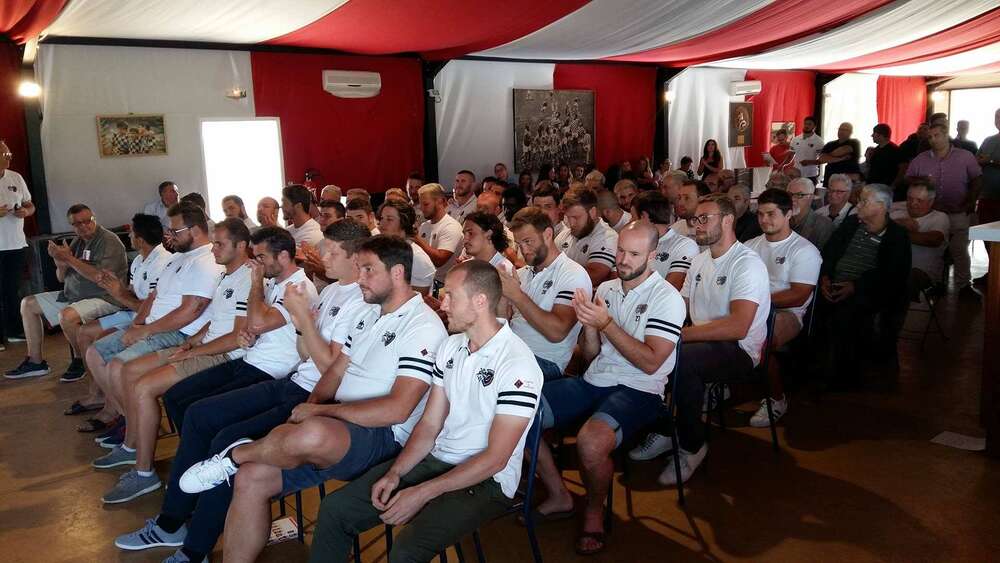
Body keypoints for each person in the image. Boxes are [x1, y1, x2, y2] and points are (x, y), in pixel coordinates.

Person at [112, 223, 370, 563]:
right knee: (196, 412)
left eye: (332, 252)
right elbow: (303, 351)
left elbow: (329, 370)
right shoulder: (334, 290)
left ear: (356, 258)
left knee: (225, 440)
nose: (323, 258)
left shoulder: (350, 299)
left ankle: (192, 544)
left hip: (307, 390)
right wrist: (289, 329)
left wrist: (299, 323)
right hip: (293, 379)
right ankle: (180, 510)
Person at [304, 260, 539, 563]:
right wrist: (396, 473)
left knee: (406, 551)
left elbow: (496, 459)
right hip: (438, 460)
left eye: (451, 295)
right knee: (336, 510)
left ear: (480, 301)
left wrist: (423, 492)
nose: (443, 303)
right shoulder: (452, 347)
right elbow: (429, 425)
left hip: (489, 481)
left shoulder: (517, 364)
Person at [530, 222, 684, 555]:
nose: (624, 260)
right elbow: (591, 356)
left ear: (653, 256)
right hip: (596, 379)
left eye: (634, 254)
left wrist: (607, 324)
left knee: (590, 442)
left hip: (640, 389)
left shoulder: (667, 298)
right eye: (621, 251)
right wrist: (589, 326)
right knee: (517, 414)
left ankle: (593, 511)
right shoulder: (607, 289)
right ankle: (559, 493)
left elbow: (650, 363)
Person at [94, 219, 253, 502]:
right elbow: (215, 321)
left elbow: (234, 337)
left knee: (143, 387)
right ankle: (134, 448)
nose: (213, 249)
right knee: (130, 371)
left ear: (241, 246)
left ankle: (144, 472)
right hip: (202, 345)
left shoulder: (248, 279)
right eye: (214, 243)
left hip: (223, 355)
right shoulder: (226, 275)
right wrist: (191, 342)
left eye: (219, 244)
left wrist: (193, 351)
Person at [632, 195, 770, 485]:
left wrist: (678, 336)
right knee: (652, 348)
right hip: (702, 341)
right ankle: (667, 428)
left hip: (739, 349)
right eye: (695, 219)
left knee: (682, 361)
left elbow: (738, 326)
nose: (696, 225)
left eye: (704, 218)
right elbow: (679, 306)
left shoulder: (746, 263)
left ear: (728, 220)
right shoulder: (699, 260)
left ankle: (692, 445)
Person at [81, 203, 222, 438]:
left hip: (179, 332)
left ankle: (136, 431)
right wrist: (137, 324)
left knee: (117, 366)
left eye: (175, 231)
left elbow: (190, 311)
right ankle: (128, 418)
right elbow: (153, 296)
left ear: (195, 230)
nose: (169, 236)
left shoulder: (205, 261)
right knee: (94, 353)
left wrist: (146, 331)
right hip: (154, 326)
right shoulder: (178, 258)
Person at [64, 214, 171, 416]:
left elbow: (150, 309)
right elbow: (132, 293)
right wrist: (117, 286)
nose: (129, 236)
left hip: (146, 318)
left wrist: (118, 293)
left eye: (131, 233)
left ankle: (114, 409)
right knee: (84, 333)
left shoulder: (162, 263)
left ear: (140, 240)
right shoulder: (139, 260)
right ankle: (98, 394)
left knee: (101, 341)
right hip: (132, 311)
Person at [6, 205, 127, 381]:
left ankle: (81, 360)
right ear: (72, 225)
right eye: (77, 224)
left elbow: (99, 277)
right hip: (73, 294)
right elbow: (61, 278)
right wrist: (60, 264)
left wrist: (68, 258)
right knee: (28, 304)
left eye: (87, 221)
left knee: (67, 315)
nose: (83, 226)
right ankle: (35, 362)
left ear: (94, 218)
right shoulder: (77, 241)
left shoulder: (109, 240)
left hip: (104, 297)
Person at [816, 184, 910, 388]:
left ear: (881, 206)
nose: (858, 205)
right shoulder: (851, 224)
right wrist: (825, 277)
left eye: (864, 201)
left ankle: (843, 378)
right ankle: (810, 369)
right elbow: (829, 252)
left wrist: (855, 286)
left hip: (867, 291)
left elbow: (892, 274)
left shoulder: (896, 235)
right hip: (833, 283)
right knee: (809, 308)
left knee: (846, 316)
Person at [745, 189, 822, 427]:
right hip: (750, 307)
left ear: (788, 214)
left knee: (761, 341)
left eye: (771, 214)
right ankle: (718, 383)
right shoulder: (749, 246)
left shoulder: (804, 250)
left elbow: (798, 296)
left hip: (786, 312)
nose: (764, 220)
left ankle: (776, 399)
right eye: (760, 214)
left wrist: (754, 304)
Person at [504, 207, 591, 381]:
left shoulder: (573, 274)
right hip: (510, 352)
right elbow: (503, 321)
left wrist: (517, 296)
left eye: (528, 242)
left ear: (548, 234)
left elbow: (557, 332)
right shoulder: (521, 274)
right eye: (519, 244)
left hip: (543, 361)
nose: (524, 250)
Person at [906, 122, 982, 295]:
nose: (933, 140)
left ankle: (964, 285)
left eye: (937, 135)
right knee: (936, 249)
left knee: (959, 249)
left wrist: (971, 201)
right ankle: (937, 283)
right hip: (933, 212)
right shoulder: (921, 158)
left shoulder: (965, 156)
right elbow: (908, 178)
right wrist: (922, 180)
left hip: (958, 209)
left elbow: (977, 178)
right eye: (930, 137)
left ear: (946, 134)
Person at [0, 140, 35, 350]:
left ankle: (13, 330)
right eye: (5, 154)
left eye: (9, 153)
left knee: (11, 290)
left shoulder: (16, 177)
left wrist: (26, 211)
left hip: (15, 244)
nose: (9, 157)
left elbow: (29, 204)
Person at [889, 180, 950, 297]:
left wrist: (896, 231)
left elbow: (933, 240)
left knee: (901, 279)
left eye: (919, 200)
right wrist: (898, 225)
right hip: (891, 266)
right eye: (910, 199)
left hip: (921, 271)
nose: (913, 204)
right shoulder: (897, 214)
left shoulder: (940, 217)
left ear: (931, 202)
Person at [631, 191, 698, 290]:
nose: (630, 222)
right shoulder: (633, 244)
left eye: (633, 217)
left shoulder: (685, 246)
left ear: (644, 216)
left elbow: (670, 290)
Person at [554, 189, 618, 287]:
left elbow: (593, 276)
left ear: (592, 212)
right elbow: (547, 266)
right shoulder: (563, 236)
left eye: (576, 217)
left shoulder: (608, 237)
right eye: (568, 217)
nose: (571, 223)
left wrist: (556, 273)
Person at [377, 199, 435, 294]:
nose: (381, 224)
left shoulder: (417, 257)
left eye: (389, 219)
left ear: (404, 222)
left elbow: (419, 297)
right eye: (381, 218)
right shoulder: (384, 249)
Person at [415, 183, 464, 289]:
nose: (422, 208)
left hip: (445, 285)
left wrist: (416, 239)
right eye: (421, 204)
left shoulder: (451, 226)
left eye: (426, 204)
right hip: (426, 282)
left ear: (439, 201)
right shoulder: (424, 226)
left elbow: (439, 261)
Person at [975, 108, 1000, 286]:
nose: (998, 119)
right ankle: (993, 270)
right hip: (987, 195)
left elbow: (986, 160)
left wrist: (990, 161)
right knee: (986, 233)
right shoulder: (988, 140)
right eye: (996, 116)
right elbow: (977, 159)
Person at [788, 178, 834, 250]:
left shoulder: (823, 225)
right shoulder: (781, 220)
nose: (792, 199)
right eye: (789, 194)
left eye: (800, 195)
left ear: (811, 197)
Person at [864, 123, 905, 189]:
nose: (872, 135)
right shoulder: (876, 149)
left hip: (885, 187)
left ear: (881, 135)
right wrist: (868, 158)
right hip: (872, 185)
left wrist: (894, 184)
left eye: (874, 133)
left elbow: (903, 168)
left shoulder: (895, 150)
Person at [820, 122, 861, 187]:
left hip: (847, 179)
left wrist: (828, 156)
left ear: (850, 132)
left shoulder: (854, 142)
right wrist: (841, 158)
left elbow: (841, 151)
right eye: (840, 129)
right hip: (830, 179)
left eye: (845, 130)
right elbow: (822, 159)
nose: (841, 131)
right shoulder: (830, 144)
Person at [790, 116, 824, 185]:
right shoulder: (795, 139)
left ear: (814, 126)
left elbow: (822, 159)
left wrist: (809, 162)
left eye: (809, 124)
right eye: (805, 124)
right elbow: (790, 155)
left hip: (811, 174)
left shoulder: (819, 141)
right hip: (796, 173)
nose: (806, 126)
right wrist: (783, 165)